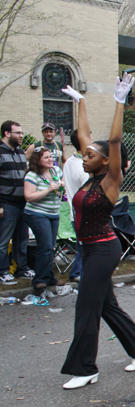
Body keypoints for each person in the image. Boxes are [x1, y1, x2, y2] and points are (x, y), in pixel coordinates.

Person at [59, 75, 135, 388]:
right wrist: (81, 102)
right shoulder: (89, 176)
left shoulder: (111, 180)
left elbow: (113, 143)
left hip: (104, 248)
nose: (84, 156)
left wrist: (119, 101)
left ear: (106, 160)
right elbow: (84, 135)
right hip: (88, 247)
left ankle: (86, 368)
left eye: (89, 155)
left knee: (87, 305)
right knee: (105, 304)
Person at [23, 146, 65, 291]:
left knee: (50, 247)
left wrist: (62, 184)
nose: (50, 159)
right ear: (38, 160)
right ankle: (39, 279)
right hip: (36, 213)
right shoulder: (32, 175)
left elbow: (63, 181)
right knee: (45, 246)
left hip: (53, 213)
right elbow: (29, 197)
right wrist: (48, 189)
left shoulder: (56, 171)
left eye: (50, 156)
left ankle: (49, 277)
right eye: (46, 157)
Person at [0, 121, 33, 285]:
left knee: (22, 238)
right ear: (7, 133)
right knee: (3, 240)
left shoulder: (20, 152)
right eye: (18, 133)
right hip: (6, 204)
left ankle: (22, 269)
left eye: (21, 132)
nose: (21, 136)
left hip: (22, 204)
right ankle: (3, 271)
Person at [62, 130, 90, 282]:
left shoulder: (69, 162)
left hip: (75, 212)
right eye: (89, 136)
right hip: (83, 213)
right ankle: (78, 273)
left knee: (82, 245)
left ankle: (77, 272)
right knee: (85, 247)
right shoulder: (83, 167)